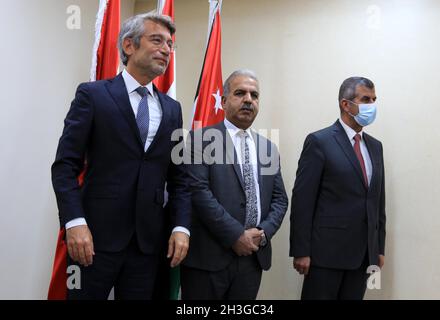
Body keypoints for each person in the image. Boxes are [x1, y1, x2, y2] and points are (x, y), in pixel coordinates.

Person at [51, 12, 190, 300]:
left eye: (170, 44)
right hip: (91, 241)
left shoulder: (173, 109)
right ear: (129, 46)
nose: (166, 49)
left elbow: (180, 179)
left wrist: (180, 226)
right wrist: (74, 223)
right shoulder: (93, 95)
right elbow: (65, 166)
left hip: (147, 246)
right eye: (157, 40)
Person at [181, 69, 288, 300]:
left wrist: (263, 233)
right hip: (209, 258)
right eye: (240, 93)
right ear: (224, 101)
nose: (248, 100)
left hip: (252, 259)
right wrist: (235, 235)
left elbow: (280, 199)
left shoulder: (268, 148)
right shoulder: (200, 140)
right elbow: (199, 192)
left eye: (254, 95)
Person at [290, 77, 386, 300]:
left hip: (363, 255)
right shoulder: (319, 141)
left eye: (374, 99)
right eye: (365, 99)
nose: (371, 105)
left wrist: (378, 247)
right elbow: (303, 200)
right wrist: (301, 251)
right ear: (346, 104)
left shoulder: (375, 146)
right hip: (326, 255)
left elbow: (377, 200)